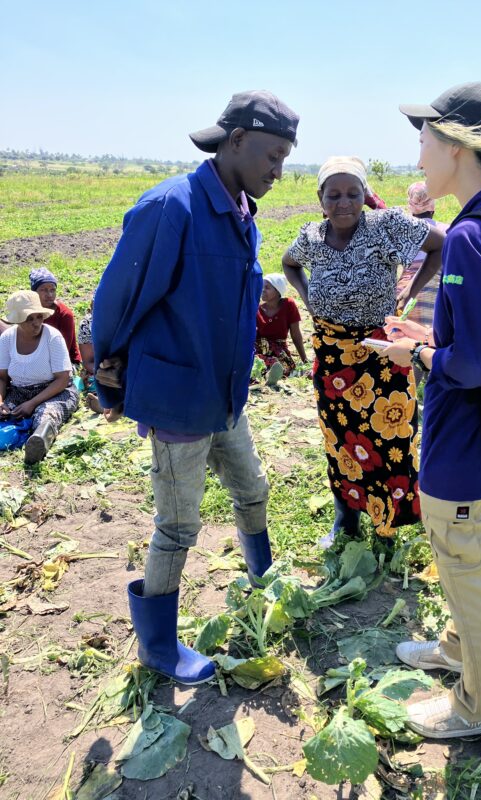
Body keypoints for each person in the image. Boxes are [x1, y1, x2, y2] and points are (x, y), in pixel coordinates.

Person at [92, 90, 300, 685]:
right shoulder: (172, 207)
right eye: (272, 155)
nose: (277, 172)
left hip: (227, 395)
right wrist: (107, 376)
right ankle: (157, 647)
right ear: (236, 141)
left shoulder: (239, 212)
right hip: (180, 397)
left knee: (253, 488)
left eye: (285, 159)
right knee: (178, 526)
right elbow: (118, 301)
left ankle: (262, 579)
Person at [385, 82, 481, 739]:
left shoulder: (471, 237)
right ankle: (454, 649)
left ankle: (477, 707)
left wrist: (416, 358)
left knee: (466, 569)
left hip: (464, 442)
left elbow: (472, 365)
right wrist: (431, 341)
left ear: (455, 147)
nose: (418, 157)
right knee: (462, 556)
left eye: (424, 141)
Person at [282, 156, 444, 548]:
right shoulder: (311, 237)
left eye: (353, 193)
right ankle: (347, 521)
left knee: (391, 437)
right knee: (339, 439)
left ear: (364, 195)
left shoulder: (386, 226)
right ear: (320, 198)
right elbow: (289, 264)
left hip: (381, 355)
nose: (344, 203)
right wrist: (307, 298)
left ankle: (388, 527)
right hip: (332, 357)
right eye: (333, 195)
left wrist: (410, 288)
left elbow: (440, 245)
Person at [0, 291, 79, 463]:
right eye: (30, 319)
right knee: (5, 413)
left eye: (39, 317)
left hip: (56, 391)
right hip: (20, 390)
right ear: (18, 320)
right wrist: (0, 402)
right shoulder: (7, 339)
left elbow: (62, 379)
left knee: (46, 415)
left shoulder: (52, 337)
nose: (37, 323)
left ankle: (39, 442)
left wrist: (33, 403)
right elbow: (2, 378)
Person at [396, 182, 449, 330]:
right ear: (433, 205)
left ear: (410, 204)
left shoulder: (402, 232)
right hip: (433, 294)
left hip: (402, 293)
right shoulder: (446, 229)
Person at [255, 272, 308, 383]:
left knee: (283, 365)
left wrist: (304, 360)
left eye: (267, 288)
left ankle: (271, 374)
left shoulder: (288, 305)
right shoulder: (256, 309)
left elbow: (296, 335)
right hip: (260, 348)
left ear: (278, 291)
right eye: (262, 286)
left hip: (279, 349)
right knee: (256, 364)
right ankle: (266, 375)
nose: (262, 290)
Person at [29, 267, 82, 366]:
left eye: (52, 290)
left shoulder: (64, 314)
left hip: (63, 361)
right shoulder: (29, 312)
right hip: (35, 357)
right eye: (44, 290)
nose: (49, 294)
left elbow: (62, 350)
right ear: (34, 292)